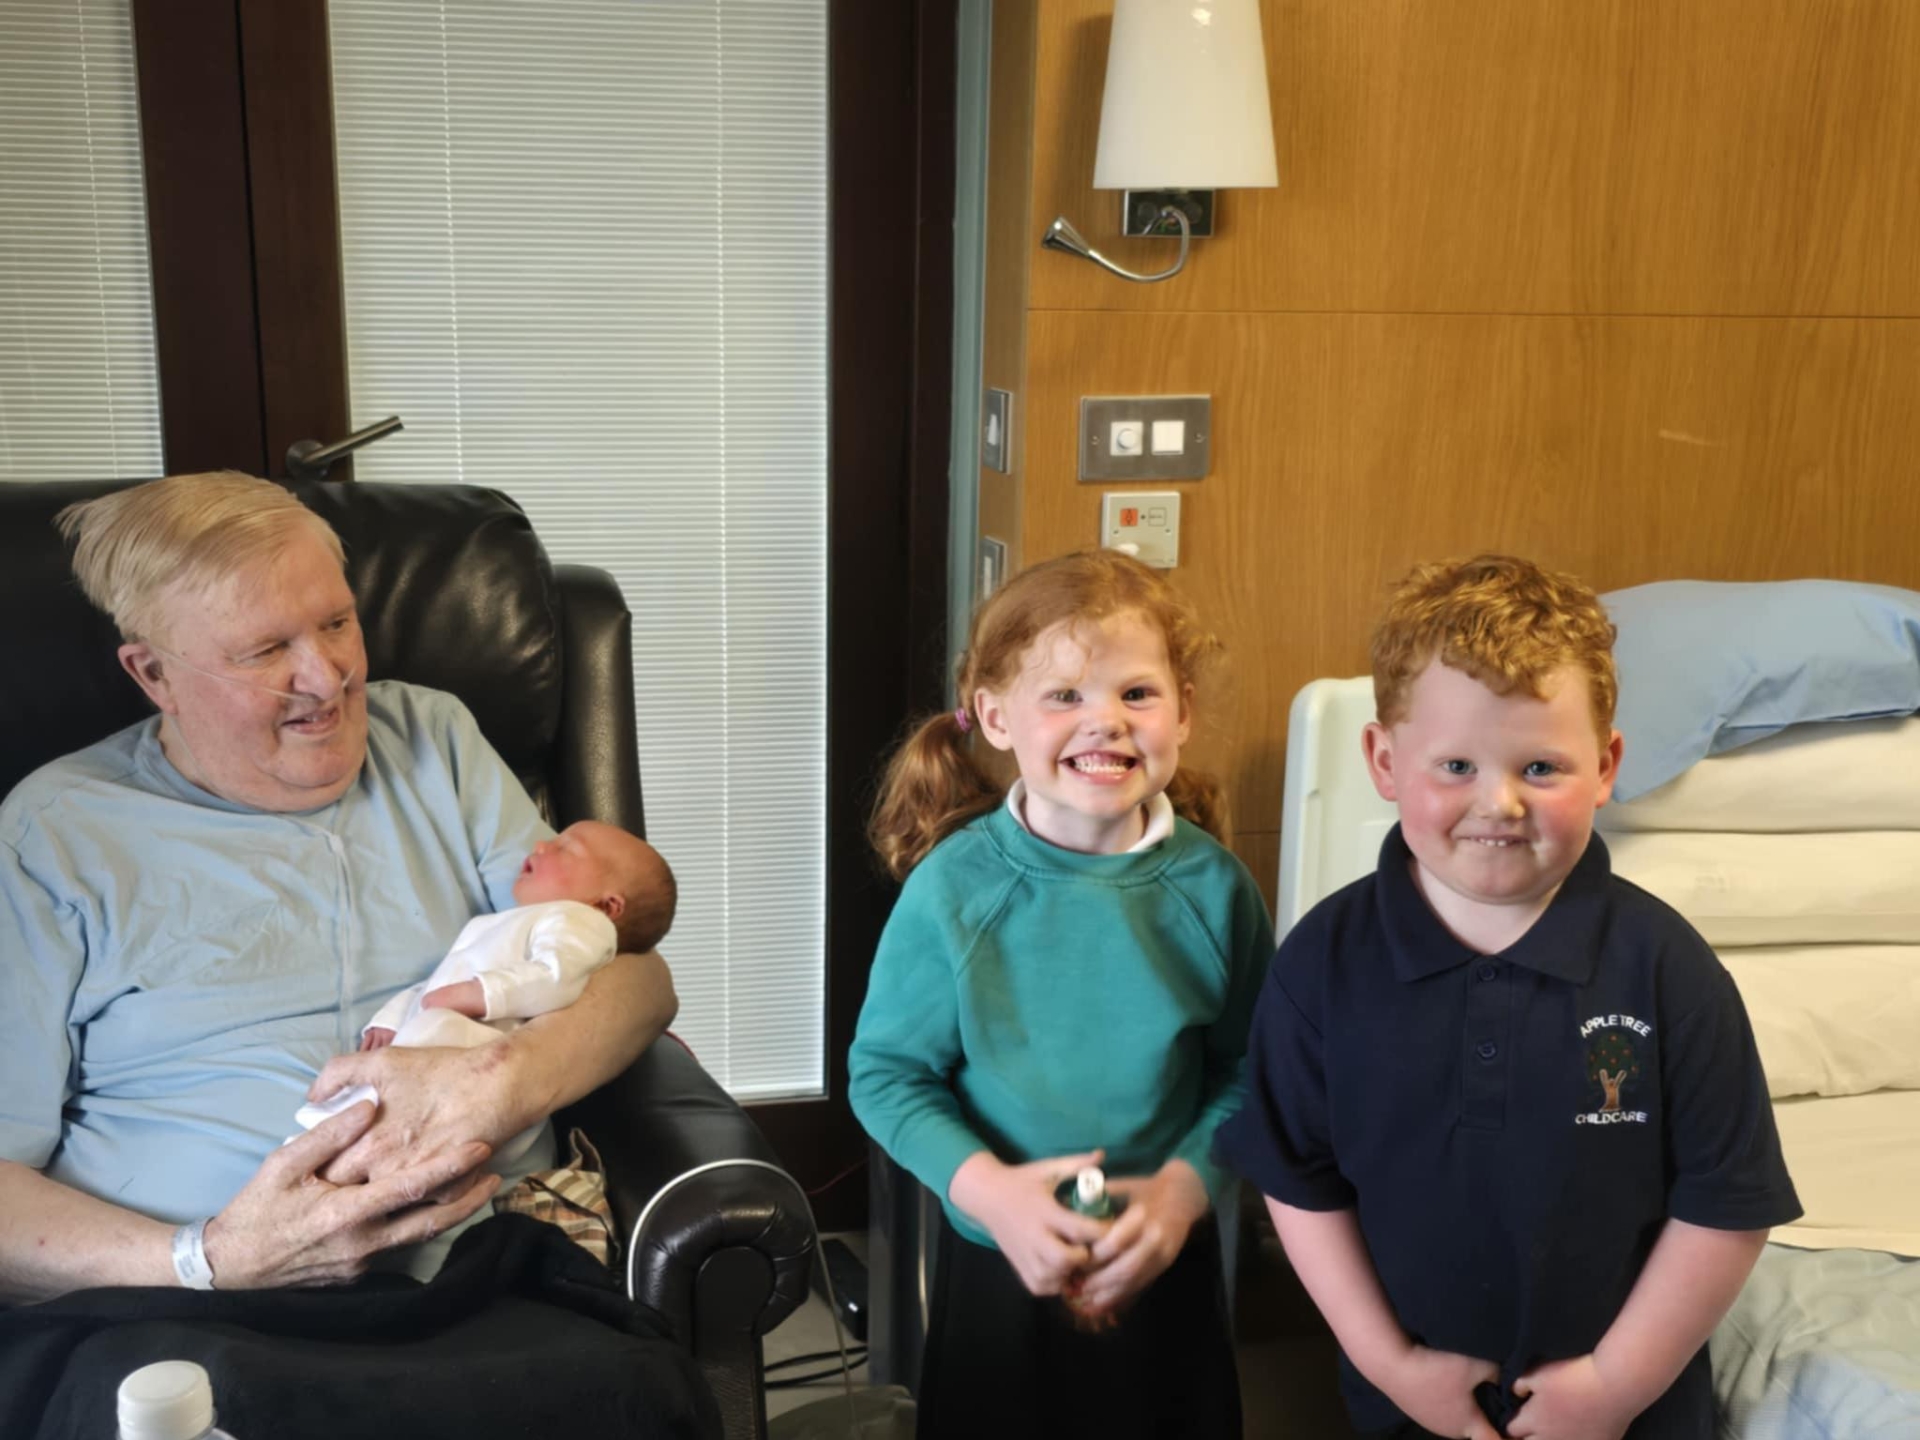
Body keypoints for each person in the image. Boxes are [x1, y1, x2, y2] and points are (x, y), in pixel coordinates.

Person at [0, 471, 679, 1303]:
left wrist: (503, 1083)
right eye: (264, 651)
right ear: (153, 675)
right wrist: (208, 1258)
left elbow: (635, 978)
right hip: (189, 1308)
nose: (327, 680)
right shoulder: (54, 834)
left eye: (336, 623)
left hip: (481, 1275)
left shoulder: (432, 741)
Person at [1217, 555, 1801, 1440]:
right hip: (1409, 1409)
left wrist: (1613, 1387)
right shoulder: (1321, 966)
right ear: (1383, 760)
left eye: (1540, 767)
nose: (1498, 803)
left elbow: (1727, 1207)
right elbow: (1299, 1185)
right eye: (1456, 764)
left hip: (1628, 1415)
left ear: (1605, 766)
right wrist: (1392, 1365)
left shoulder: (1668, 970)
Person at [848, 549, 1273, 1437]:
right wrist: (991, 1194)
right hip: (999, 1266)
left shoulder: (1217, 891)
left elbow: (1251, 1073)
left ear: (1183, 712)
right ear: (996, 717)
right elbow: (887, 1075)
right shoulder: (954, 888)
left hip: (1164, 1259)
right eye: (1066, 695)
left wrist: (1184, 1191)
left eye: (1136, 694)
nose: (1104, 721)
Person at [294, 820, 677, 1175]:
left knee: (416, 1052)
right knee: (397, 1067)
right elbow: (434, 985)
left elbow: (556, 978)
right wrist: (389, 1019)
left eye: (566, 849)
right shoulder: (514, 923)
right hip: (443, 1052)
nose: (541, 845)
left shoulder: (581, 923)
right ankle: (332, 1139)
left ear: (606, 906)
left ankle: (336, 1140)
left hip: (474, 1061)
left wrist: (481, 993)